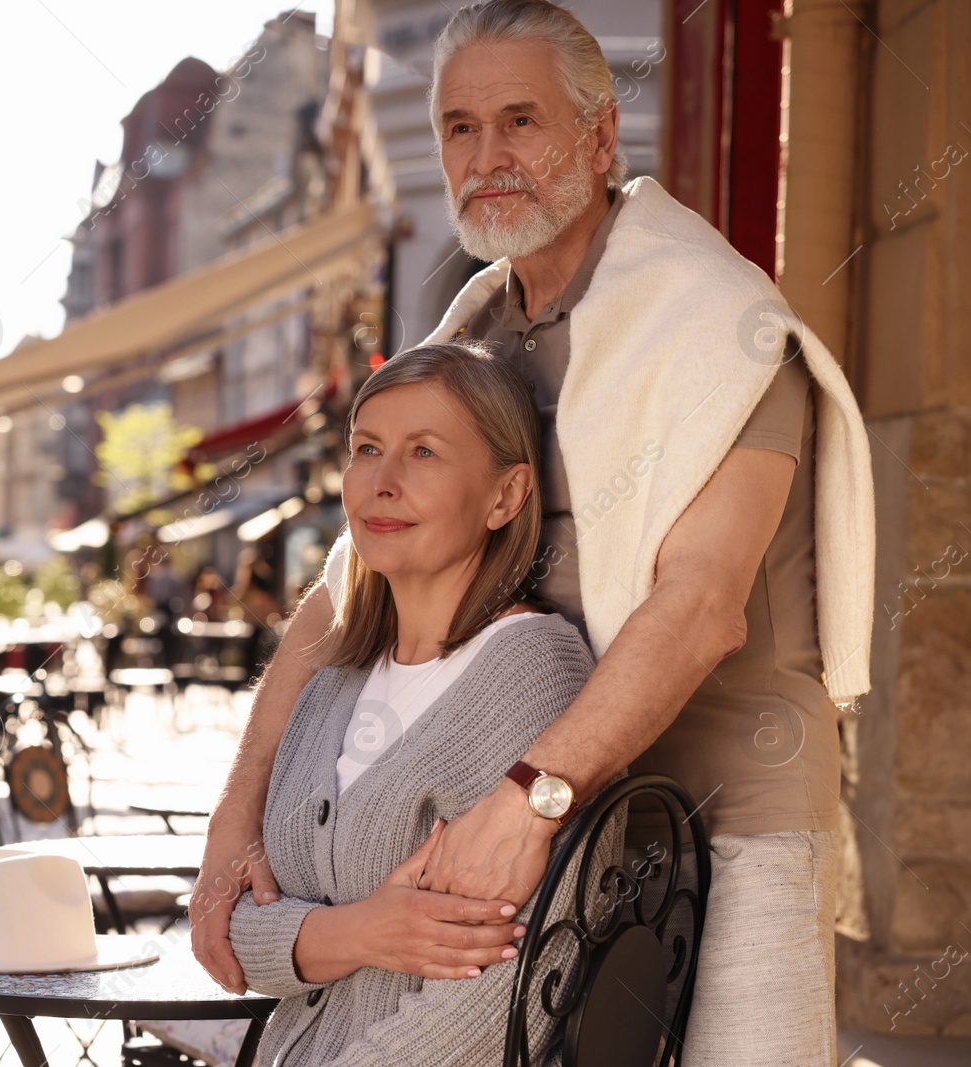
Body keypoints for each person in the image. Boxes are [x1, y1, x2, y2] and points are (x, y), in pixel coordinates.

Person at [192, 3, 875, 1065]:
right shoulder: (469, 338)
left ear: (599, 139)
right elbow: (346, 591)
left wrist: (530, 798)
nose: (487, 155)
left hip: (721, 811)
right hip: (523, 823)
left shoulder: (718, 323)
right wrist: (233, 820)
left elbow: (699, 606)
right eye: (460, 128)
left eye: (521, 120)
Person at [227, 342, 610, 1066]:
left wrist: (314, 938)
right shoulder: (334, 676)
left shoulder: (533, 672)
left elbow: (512, 984)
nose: (382, 481)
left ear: (506, 495)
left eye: (424, 452)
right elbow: (239, 933)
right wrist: (363, 931)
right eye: (366, 447)